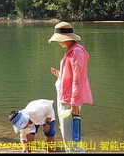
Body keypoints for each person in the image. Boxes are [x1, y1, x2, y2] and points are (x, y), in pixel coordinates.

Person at [48, 22, 93, 153]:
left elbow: (78, 79)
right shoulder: (72, 50)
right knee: (68, 136)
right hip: (67, 99)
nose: (57, 42)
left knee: (71, 139)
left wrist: (75, 103)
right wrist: (62, 76)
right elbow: (73, 75)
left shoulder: (76, 52)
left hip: (69, 101)